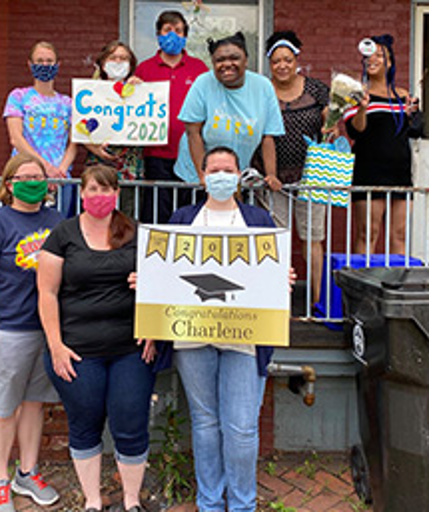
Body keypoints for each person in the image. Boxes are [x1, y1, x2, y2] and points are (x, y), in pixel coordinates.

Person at [155, 146, 293, 512]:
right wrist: (147, 280)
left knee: (242, 428)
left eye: (227, 169)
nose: (220, 175)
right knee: (205, 422)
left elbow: (272, 267)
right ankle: (210, 502)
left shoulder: (259, 219)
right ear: (201, 177)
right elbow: (165, 269)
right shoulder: (182, 218)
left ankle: (243, 504)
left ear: (238, 176)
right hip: (192, 335)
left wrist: (284, 277)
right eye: (213, 169)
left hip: (245, 337)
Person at [37, 165, 156, 512]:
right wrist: (55, 346)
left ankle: (131, 501)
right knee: (85, 421)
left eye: (106, 190)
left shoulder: (136, 233)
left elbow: (164, 283)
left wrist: (151, 326)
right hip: (76, 350)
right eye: (93, 189)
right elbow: (46, 292)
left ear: (117, 193)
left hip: (131, 349)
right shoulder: (63, 234)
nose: (100, 196)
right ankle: (92, 501)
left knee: (130, 421)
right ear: (82, 193)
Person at [0, 153, 62, 512]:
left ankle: (27, 472)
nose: (32, 181)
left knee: (35, 403)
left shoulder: (56, 221)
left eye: (38, 176)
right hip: (9, 330)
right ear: (9, 184)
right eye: (24, 176)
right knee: (3, 408)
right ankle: (0, 482)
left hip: (46, 330)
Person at [257, 30, 331, 304]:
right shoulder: (263, 90)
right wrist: (270, 174)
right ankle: (278, 302)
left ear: (296, 60)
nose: (282, 66)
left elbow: (330, 125)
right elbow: (265, 135)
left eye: (287, 59)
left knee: (312, 239)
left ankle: (317, 301)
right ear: (269, 64)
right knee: (277, 241)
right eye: (276, 61)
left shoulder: (316, 89)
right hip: (273, 179)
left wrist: (332, 126)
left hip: (312, 177)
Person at [174, 32, 284, 192]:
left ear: (246, 60)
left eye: (234, 58)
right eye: (220, 60)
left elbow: (268, 136)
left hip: (234, 175)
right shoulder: (202, 83)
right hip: (195, 176)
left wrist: (271, 175)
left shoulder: (263, 86)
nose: (227, 64)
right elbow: (193, 133)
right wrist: (202, 175)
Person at [344, 34, 421, 254]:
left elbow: (415, 131)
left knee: (399, 235)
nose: (374, 59)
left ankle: (396, 286)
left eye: (381, 55)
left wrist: (412, 113)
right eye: (370, 55)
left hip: (400, 173)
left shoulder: (403, 96)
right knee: (368, 233)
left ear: (390, 63)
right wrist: (362, 107)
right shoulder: (357, 93)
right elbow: (355, 131)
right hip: (369, 171)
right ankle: (362, 286)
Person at [136, 10, 208, 223]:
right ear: (158, 34)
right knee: (157, 213)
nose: (173, 35)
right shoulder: (144, 69)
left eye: (178, 31)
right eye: (168, 30)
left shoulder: (199, 68)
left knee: (189, 213)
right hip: (156, 154)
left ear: (185, 36)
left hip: (191, 154)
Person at [3, 41, 77, 216]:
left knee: (59, 228)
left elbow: (74, 142)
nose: (45, 65)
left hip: (60, 180)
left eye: (49, 61)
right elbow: (16, 138)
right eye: (40, 60)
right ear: (30, 64)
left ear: (58, 65)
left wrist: (60, 172)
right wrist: (44, 170)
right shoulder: (18, 96)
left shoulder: (68, 103)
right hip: (25, 176)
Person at [84, 41, 144, 218]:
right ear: (103, 63)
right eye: (113, 57)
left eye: (124, 58)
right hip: (98, 164)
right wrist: (94, 148)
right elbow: (79, 128)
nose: (118, 62)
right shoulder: (88, 92)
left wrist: (142, 90)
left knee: (127, 218)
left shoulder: (138, 90)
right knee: (96, 214)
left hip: (130, 168)